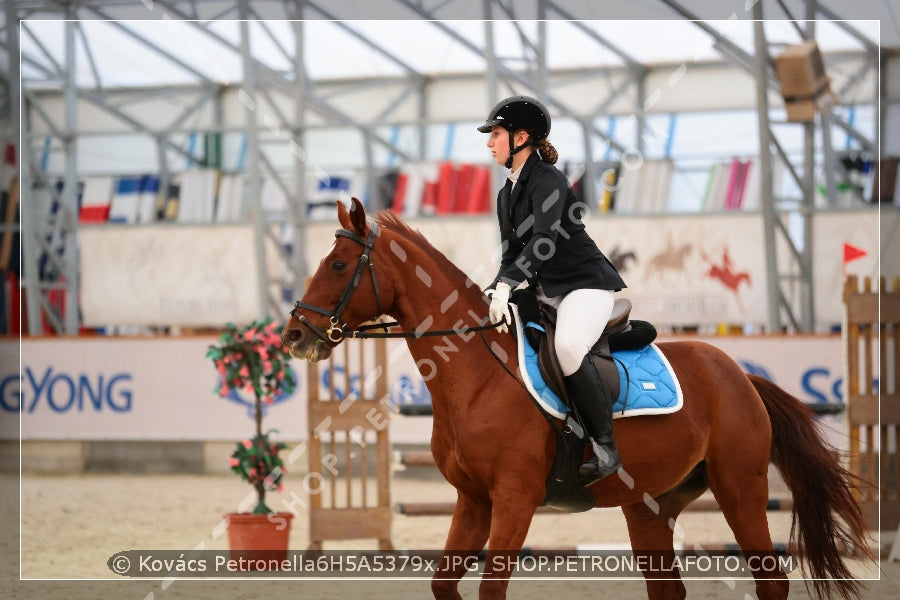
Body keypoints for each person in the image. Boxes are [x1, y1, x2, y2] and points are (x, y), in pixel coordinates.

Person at [478, 95, 627, 486]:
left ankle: (606, 446)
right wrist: (494, 290)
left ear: (521, 137)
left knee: (568, 347)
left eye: (495, 134)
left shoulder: (549, 179)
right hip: (547, 290)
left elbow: (543, 242)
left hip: (585, 286)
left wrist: (510, 283)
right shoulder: (506, 194)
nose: (489, 143)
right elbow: (511, 253)